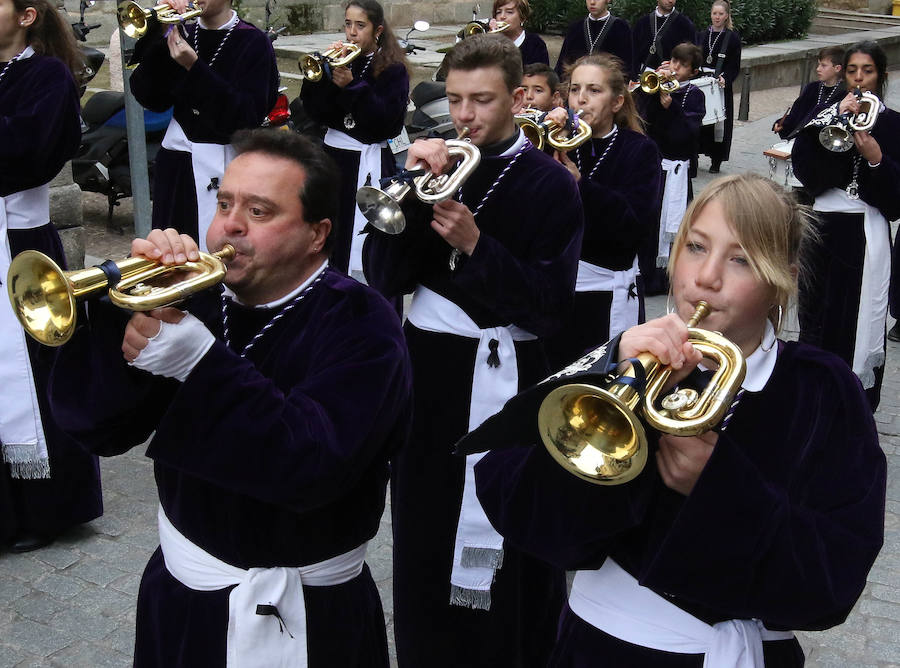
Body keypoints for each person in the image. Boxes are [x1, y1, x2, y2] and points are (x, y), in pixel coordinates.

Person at [459, 173, 887, 667]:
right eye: (696, 247)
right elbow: (516, 509)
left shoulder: (823, 388)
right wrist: (607, 374)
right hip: (597, 647)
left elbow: (834, 580)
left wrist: (722, 490)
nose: (706, 278)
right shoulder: (626, 358)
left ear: (781, 280)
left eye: (741, 259)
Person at [48, 129, 413, 667]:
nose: (229, 225)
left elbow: (312, 466)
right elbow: (92, 425)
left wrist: (201, 365)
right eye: (224, 202)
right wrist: (116, 321)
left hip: (315, 613)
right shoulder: (192, 298)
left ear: (318, 233)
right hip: (186, 599)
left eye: (259, 211)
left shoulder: (365, 323)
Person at [364, 33, 584, 668]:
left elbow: (549, 309)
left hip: (514, 376)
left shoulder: (550, 183)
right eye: (456, 100)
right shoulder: (430, 167)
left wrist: (476, 247)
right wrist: (406, 188)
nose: (464, 116)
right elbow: (384, 277)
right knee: (423, 519)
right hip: (432, 368)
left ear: (517, 98)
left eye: (482, 101)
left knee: (515, 525)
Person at [0, 0, 102, 552]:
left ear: (27, 15)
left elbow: (28, 151)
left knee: (34, 369)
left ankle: (43, 509)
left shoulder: (46, 77)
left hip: (18, 246)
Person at [791, 40, 898, 411]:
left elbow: (897, 201)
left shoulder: (894, 123)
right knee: (815, 314)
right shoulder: (826, 112)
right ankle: (812, 397)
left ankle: (853, 403)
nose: (858, 79)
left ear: (880, 76)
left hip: (865, 233)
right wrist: (833, 115)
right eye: (852, 71)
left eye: (867, 71)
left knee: (855, 319)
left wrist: (876, 160)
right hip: (822, 226)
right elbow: (802, 166)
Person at [543, 54, 663, 369]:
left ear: (616, 102)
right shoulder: (555, 142)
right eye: (575, 89)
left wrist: (580, 186)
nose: (581, 98)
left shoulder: (639, 150)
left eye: (594, 90)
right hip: (553, 291)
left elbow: (634, 227)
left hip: (604, 294)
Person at [129, 0, 278, 250]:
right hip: (178, 163)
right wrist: (158, 30)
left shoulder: (253, 42)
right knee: (172, 254)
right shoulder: (181, 31)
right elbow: (149, 97)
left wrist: (194, 67)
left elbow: (244, 117)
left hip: (225, 166)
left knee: (221, 256)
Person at [300, 0, 409, 280]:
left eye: (360, 26)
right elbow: (318, 113)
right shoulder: (339, 59)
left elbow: (386, 123)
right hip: (334, 160)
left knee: (363, 236)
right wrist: (317, 80)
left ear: (377, 30)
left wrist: (353, 87)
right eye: (348, 24)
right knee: (331, 229)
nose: (351, 32)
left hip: (368, 160)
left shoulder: (393, 70)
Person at [638, 41, 705, 296]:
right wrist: (652, 92)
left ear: (693, 71)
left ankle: (666, 278)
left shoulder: (694, 95)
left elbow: (689, 134)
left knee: (672, 226)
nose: (676, 68)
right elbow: (643, 117)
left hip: (677, 168)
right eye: (674, 62)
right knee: (651, 222)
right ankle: (647, 275)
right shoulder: (659, 86)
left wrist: (672, 108)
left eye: (683, 65)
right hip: (656, 164)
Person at [696, 0, 741, 173]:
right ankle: (694, 155)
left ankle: (716, 160)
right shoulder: (701, 35)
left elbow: (734, 65)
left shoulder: (732, 38)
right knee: (697, 119)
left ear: (727, 15)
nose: (717, 17)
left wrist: (726, 78)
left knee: (718, 123)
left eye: (721, 14)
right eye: (715, 13)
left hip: (719, 84)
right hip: (701, 82)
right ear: (711, 14)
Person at [773, 46, 845, 140]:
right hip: (805, 141)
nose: (818, 69)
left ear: (837, 68)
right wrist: (783, 124)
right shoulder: (812, 88)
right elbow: (796, 114)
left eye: (823, 65)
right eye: (818, 65)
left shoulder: (846, 92)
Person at [555, 0, 633, 79]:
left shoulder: (620, 27)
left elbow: (627, 65)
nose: (592, 2)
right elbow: (563, 62)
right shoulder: (576, 27)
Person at [632, 0, 695, 80]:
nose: (670, 1)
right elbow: (634, 54)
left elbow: (690, 56)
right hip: (644, 78)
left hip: (671, 78)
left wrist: (674, 65)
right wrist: (633, 78)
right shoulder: (642, 23)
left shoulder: (686, 25)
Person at [492, 0, 549, 66]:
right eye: (498, 12)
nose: (502, 16)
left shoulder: (536, 44)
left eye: (509, 12)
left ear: (522, 17)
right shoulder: (491, 42)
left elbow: (541, 73)